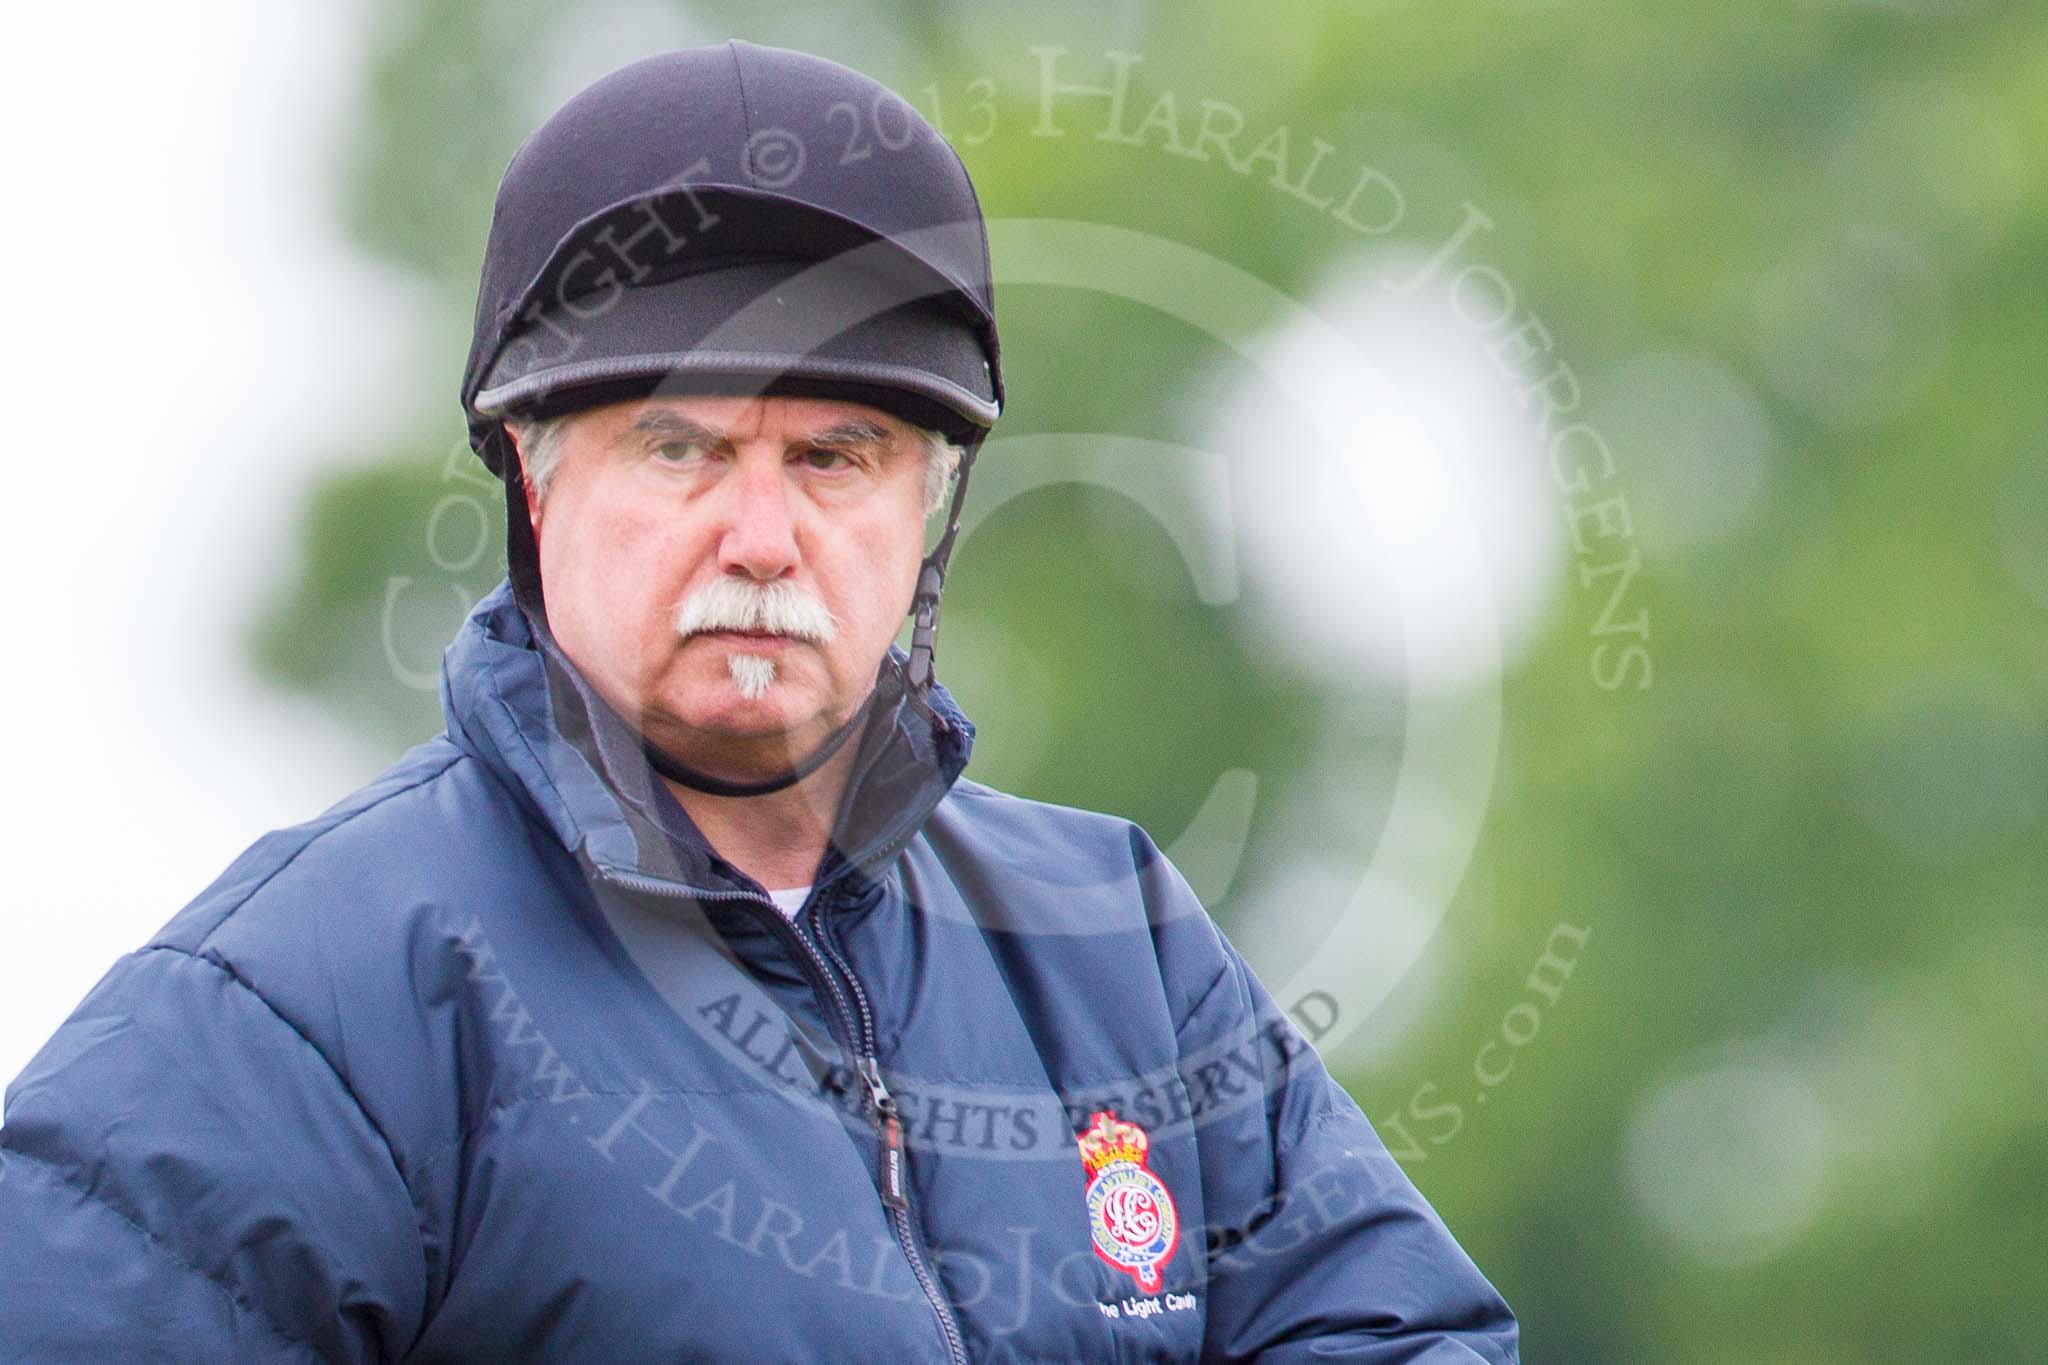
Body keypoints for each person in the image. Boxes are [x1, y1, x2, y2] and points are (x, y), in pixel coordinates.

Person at [0, 40, 1519, 1363]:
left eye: (835, 456)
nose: (761, 537)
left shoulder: (1122, 945)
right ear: (534, 473)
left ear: (930, 504)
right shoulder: (299, 1002)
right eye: (681, 446)